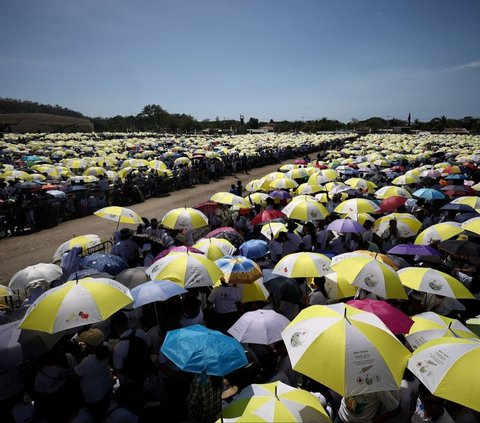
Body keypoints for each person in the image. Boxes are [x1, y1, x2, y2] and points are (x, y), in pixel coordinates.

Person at [75, 329, 112, 422]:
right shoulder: (107, 348)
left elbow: (76, 373)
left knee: (97, 417)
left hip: (93, 396)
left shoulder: (87, 362)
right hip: (106, 386)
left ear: (89, 346)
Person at [336, 389, 401, 422]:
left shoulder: (379, 388)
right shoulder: (350, 373)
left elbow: (396, 409)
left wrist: (378, 419)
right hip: (341, 416)